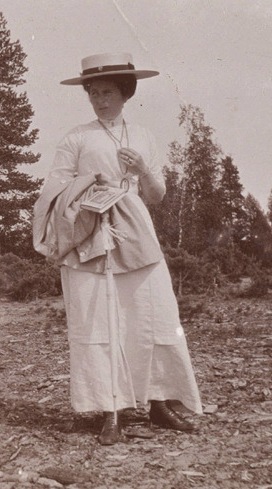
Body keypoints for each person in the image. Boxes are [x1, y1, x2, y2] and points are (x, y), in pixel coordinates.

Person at [33, 52, 202, 445]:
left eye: (107, 92)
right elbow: (54, 189)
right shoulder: (77, 137)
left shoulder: (142, 135)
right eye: (93, 93)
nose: (99, 100)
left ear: (126, 93)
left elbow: (157, 195)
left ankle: (159, 401)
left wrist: (142, 170)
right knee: (99, 318)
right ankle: (111, 409)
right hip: (90, 229)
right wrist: (88, 186)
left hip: (135, 228)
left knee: (153, 312)